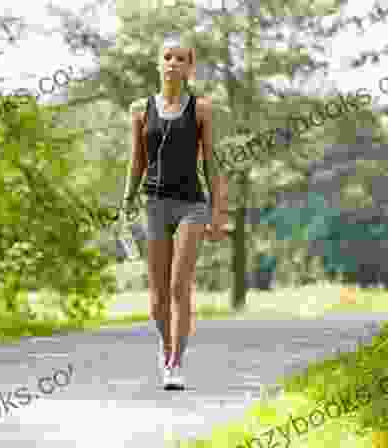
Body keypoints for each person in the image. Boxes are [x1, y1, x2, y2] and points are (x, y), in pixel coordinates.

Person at [122, 33, 229, 390]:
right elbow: (136, 160)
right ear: (159, 62)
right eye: (167, 57)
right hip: (154, 204)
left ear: (189, 67)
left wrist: (217, 212)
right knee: (157, 297)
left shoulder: (201, 109)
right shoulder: (140, 109)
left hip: (191, 205)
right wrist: (126, 202)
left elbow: (211, 163)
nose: (173, 63)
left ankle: (176, 361)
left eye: (180, 59)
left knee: (178, 285)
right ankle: (164, 348)